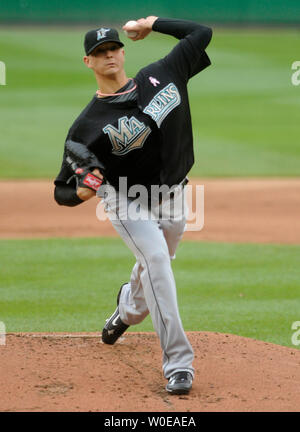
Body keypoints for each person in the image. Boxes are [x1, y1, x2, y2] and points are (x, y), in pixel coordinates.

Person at [54, 16, 213, 394]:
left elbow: (201, 34)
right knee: (156, 260)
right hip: (127, 200)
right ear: (88, 63)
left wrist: (153, 23)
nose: (108, 55)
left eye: (112, 49)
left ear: (123, 52)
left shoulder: (163, 72)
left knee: (154, 267)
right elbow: (61, 190)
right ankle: (179, 364)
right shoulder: (87, 125)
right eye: (99, 52)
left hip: (175, 195)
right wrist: (85, 191)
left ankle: (126, 308)